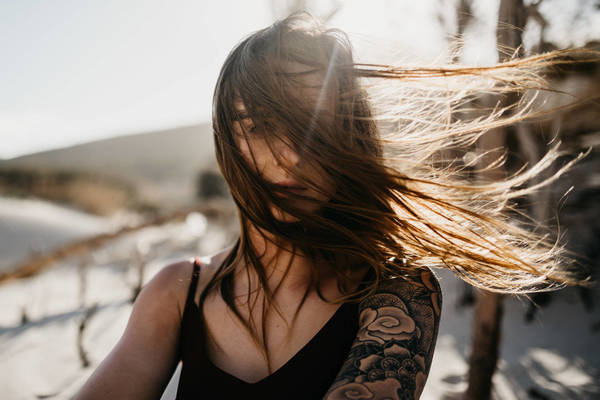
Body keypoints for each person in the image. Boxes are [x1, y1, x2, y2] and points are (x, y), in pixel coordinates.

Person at [75, 12, 591, 400]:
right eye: (257, 124)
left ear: (349, 137)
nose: (292, 155)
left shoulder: (397, 295)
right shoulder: (177, 294)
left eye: (315, 123)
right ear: (225, 142)